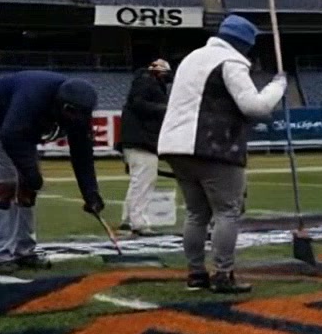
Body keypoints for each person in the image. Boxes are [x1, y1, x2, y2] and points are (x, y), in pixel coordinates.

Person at [158, 15, 286, 293]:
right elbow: (254, 107)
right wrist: (277, 87)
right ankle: (223, 274)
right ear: (244, 44)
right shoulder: (231, 61)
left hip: (176, 145)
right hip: (213, 146)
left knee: (195, 213)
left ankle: (195, 274)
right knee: (227, 211)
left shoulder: (192, 58)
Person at [0, 70, 105, 275]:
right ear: (64, 107)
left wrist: (90, 193)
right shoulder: (33, 97)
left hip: (23, 132)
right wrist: (30, 173)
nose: (78, 121)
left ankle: (24, 251)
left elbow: (82, 154)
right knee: (3, 185)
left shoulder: (78, 112)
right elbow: (11, 135)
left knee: (28, 190)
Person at [119, 58, 171, 236]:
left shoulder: (143, 82)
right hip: (142, 140)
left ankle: (128, 219)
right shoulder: (146, 82)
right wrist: (165, 109)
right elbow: (139, 104)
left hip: (136, 139)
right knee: (143, 181)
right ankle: (138, 222)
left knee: (138, 181)